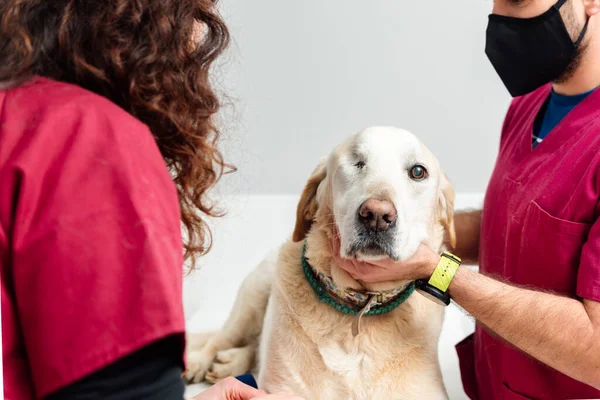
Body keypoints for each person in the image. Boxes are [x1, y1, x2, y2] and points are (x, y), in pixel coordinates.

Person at [0, 1, 304, 399]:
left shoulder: (16, 120)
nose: (202, 35)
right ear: (144, 16)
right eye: (198, 9)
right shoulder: (87, 141)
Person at [334, 0, 600, 399]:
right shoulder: (528, 107)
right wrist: (389, 226)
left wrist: (433, 269)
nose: (504, 21)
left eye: (520, 1)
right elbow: (510, 225)